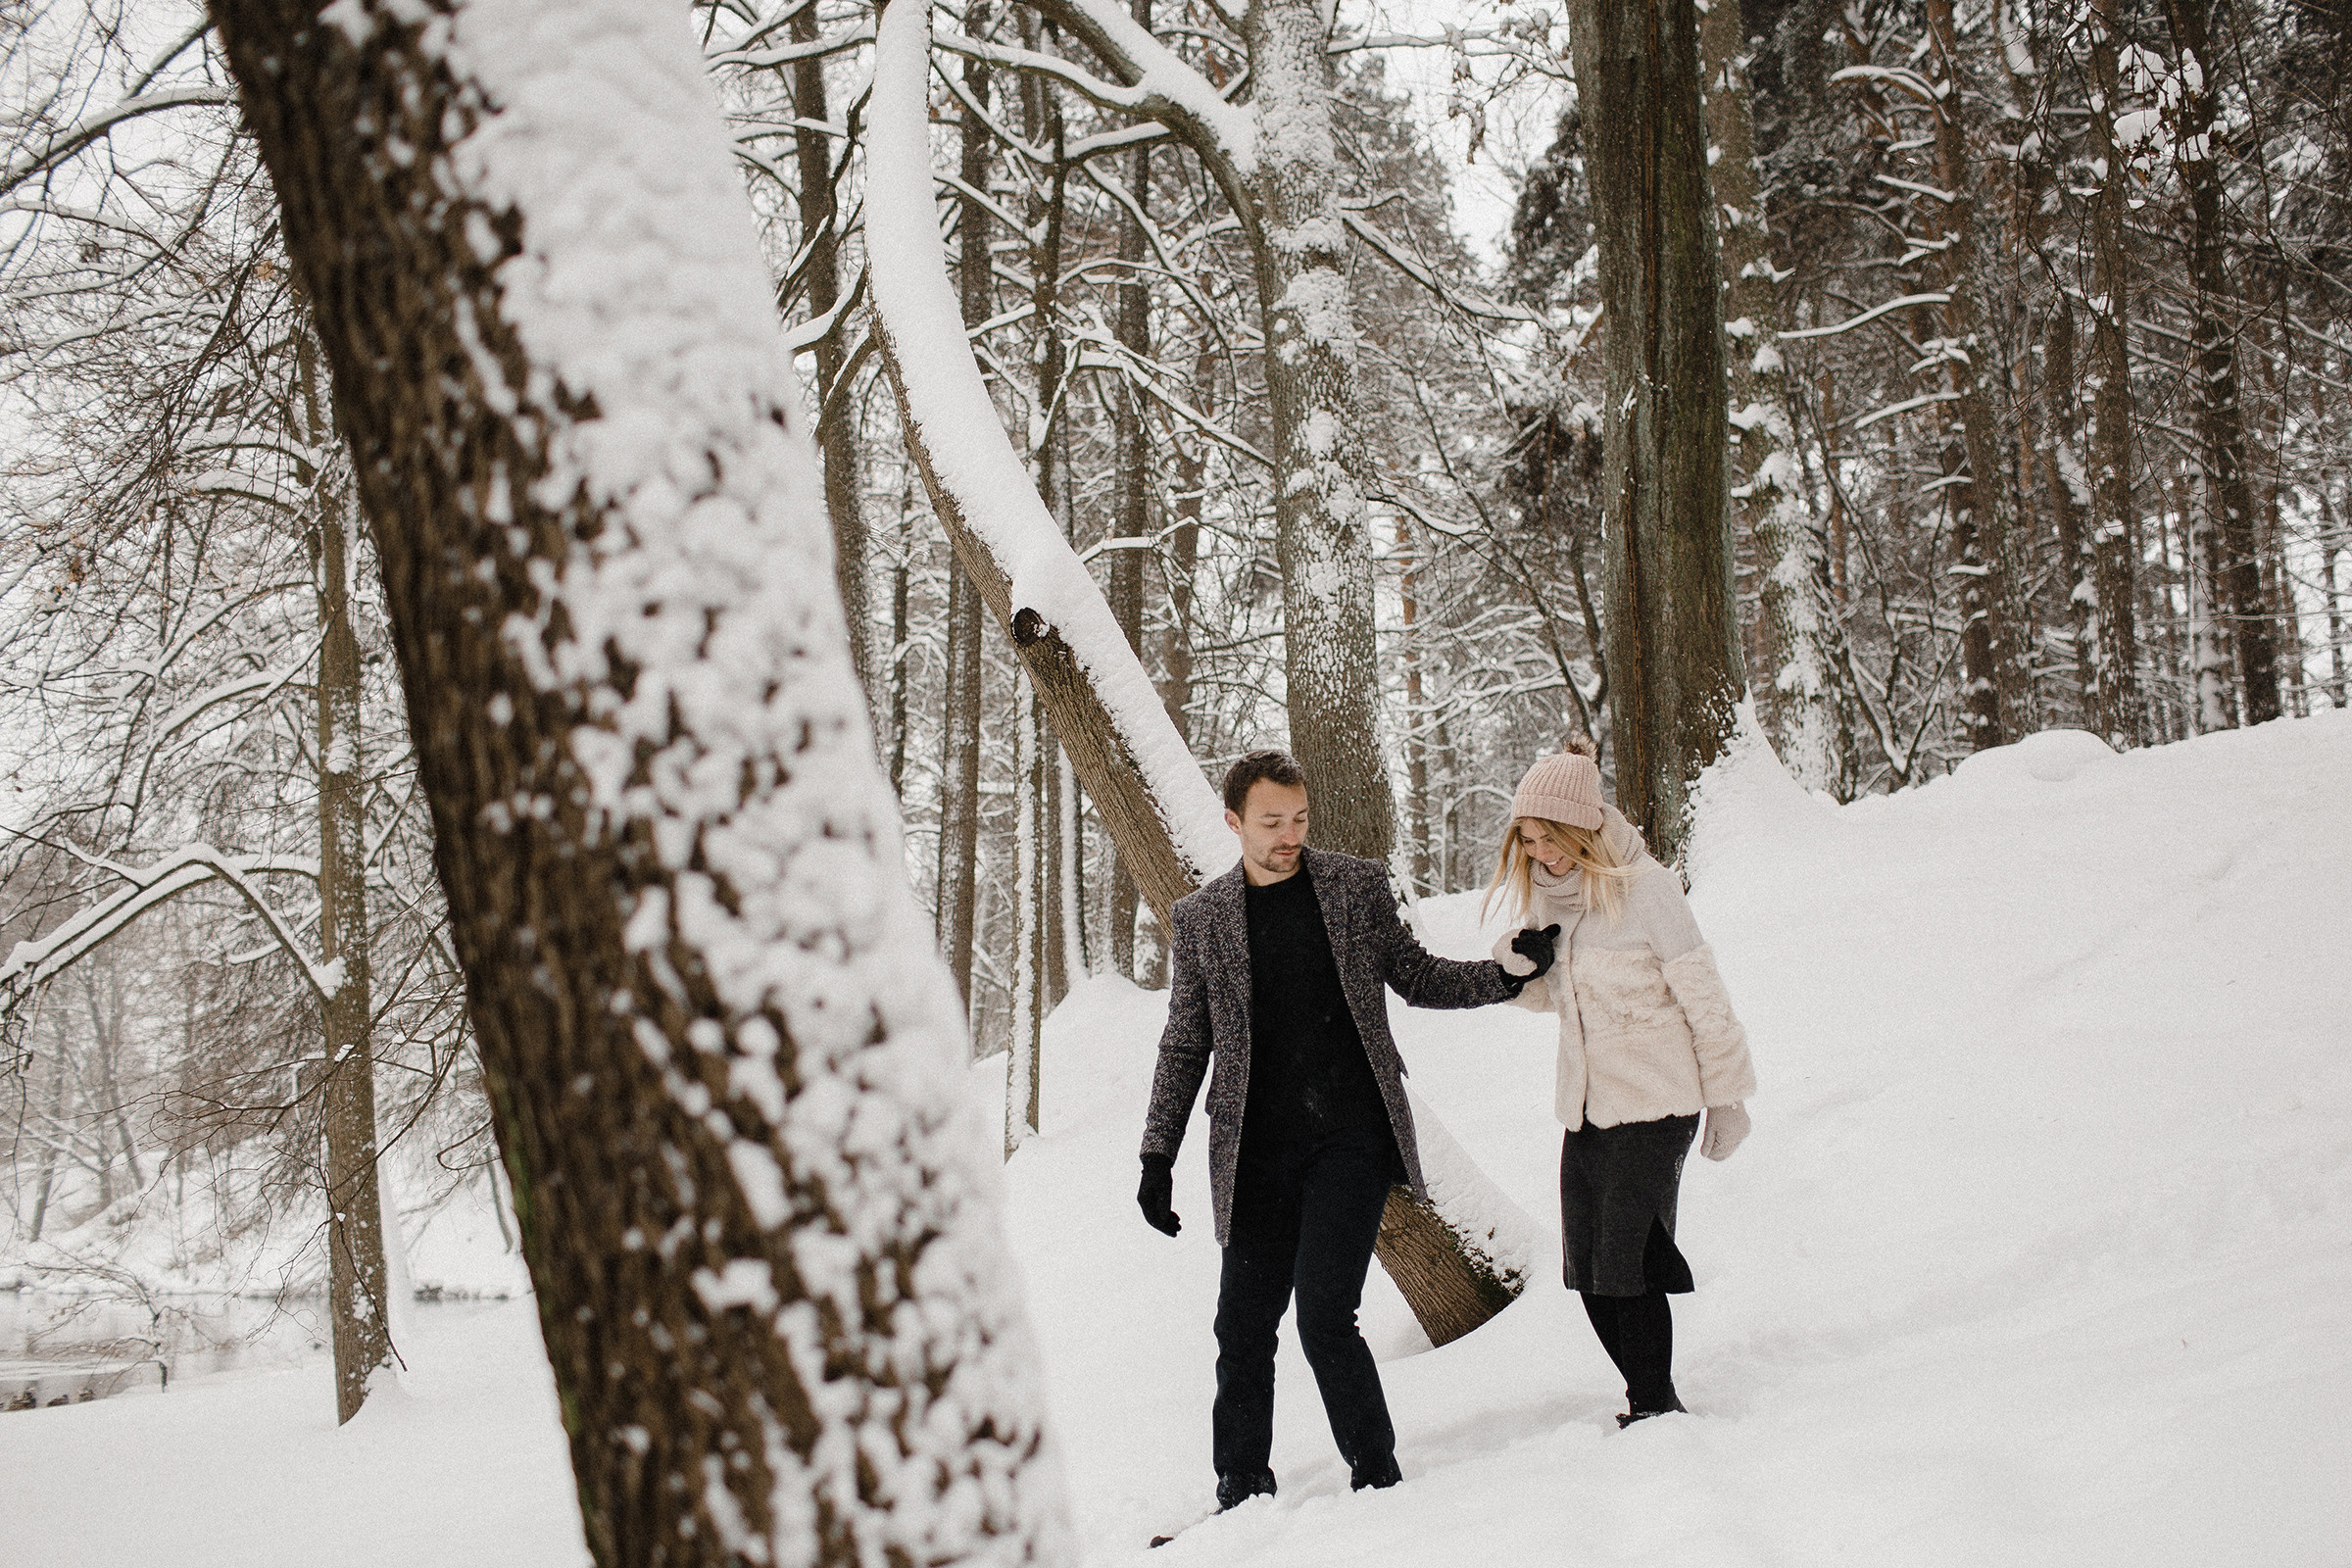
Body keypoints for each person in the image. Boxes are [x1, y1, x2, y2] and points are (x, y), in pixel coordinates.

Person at [1136, 749, 1555, 1511]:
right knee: (1242, 1327)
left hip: (1350, 1137)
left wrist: (1502, 976)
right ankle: (1241, 1484)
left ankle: (1376, 1473)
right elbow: (1185, 1043)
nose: (1289, 835)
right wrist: (1156, 1156)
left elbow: (1419, 977)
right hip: (1257, 1152)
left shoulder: (1355, 887)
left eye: (1299, 818)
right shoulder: (1203, 919)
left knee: (1326, 1314)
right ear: (1234, 822)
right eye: (1271, 822)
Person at [1487, 738, 1756, 1427]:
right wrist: (1520, 967)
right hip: (1588, 1106)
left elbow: (1704, 995)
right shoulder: (1551, 898)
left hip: (1658, 1102)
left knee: (1627, 1259)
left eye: (1550, 838)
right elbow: (1555, 1000)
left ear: (1583, 826)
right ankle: (1647, 1400)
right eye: (1528, 841)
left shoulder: (1647, 889)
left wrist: (1727, 1098)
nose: (1540, 854)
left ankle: (1655, 1406)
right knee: (1588, 1267)